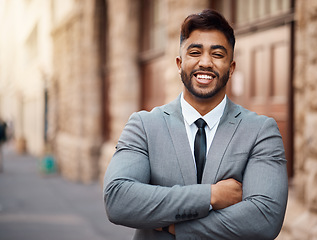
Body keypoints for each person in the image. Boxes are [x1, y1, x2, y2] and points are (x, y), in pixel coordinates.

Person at [104, 9, 288, 240]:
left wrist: (179, 229)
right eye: (195, 52)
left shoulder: (261, 131)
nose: (205, 62)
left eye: (217, 54)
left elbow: (265, 218)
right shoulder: (144, 126)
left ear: (231, 68)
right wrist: (210, 195)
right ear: (180, 64)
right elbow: (118, 200)